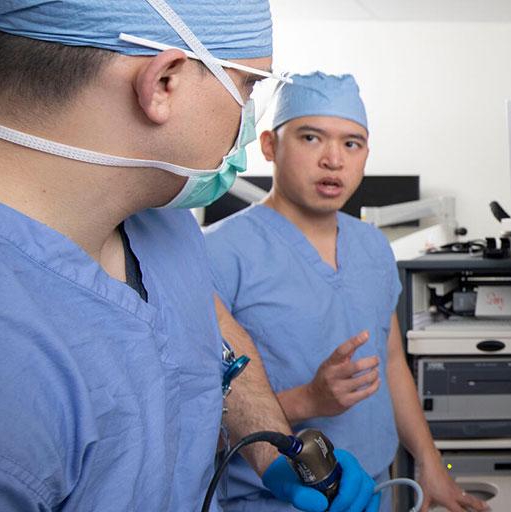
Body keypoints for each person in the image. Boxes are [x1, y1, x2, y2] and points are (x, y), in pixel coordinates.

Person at [0, 2, 376, 511]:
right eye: (248, 87)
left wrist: (273, 452)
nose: (246, 113)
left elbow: (212, 341)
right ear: (163, 83)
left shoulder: (162, 219)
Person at [205, 72, 489, 512]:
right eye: (311, 138)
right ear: (268, 146)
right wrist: (308, 400)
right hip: (275, 498)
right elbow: (197, 412)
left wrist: (430, 463)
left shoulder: (372, 245)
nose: (333, 159)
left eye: (351, 143)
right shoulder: (219, 253)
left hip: (377, 491)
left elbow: (392, 361)